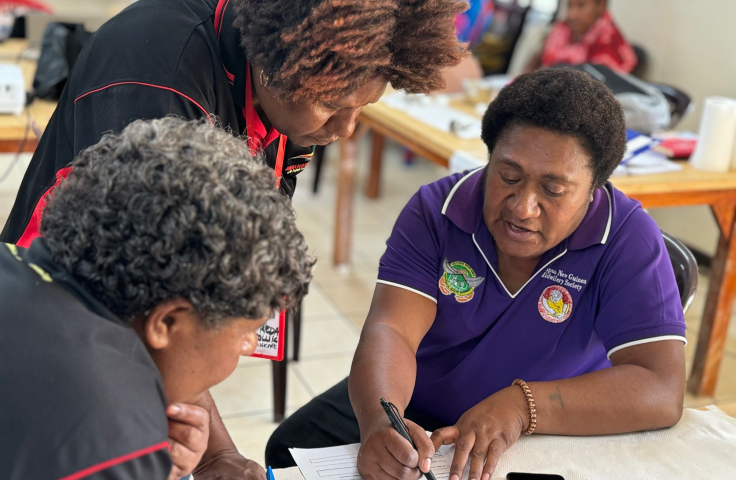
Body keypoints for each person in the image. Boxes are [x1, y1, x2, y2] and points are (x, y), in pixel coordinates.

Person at [0, 0, 467, 477]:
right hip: (68, 310)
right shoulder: (158, 71)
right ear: (276, 61)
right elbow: (153, 291)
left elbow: (215, 284)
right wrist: (214, 452)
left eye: (361, 108)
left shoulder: (297, 85)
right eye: (332, 105)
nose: (346, 129)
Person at [265, 68, 687, 479]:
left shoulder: (627, 236)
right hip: (417, 402)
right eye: (508, 176)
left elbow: (660, 387)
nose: (523, 206)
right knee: (290, 452)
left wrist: (522, 406)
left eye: (553, 190)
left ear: (596, 187)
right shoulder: (437, 210)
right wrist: (381, 418)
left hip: (550, 423)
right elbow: (392, 330)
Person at [0, 117, 313, 480]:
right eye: (247, 330)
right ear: (166, 323)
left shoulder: (14, 265)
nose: (250, 344)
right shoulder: (115, 436)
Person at [532, 0, 637, 73]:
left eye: (581, 5)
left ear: (600, 5)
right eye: (569, 5)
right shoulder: (562, 29)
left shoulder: (609, 43)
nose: (572, 15)